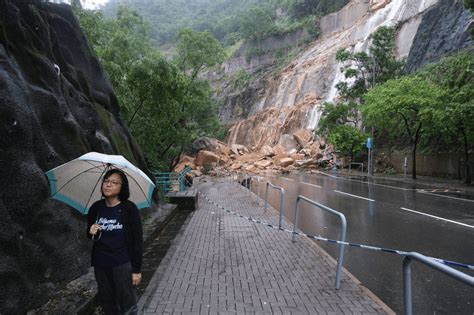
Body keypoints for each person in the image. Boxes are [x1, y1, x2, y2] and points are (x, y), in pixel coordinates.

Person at [87, 169, 143, 315]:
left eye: (114, 182)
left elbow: (137, 241)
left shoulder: (129, 208)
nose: (108, 185)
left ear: (122, 187)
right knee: (107, 302)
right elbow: (91, 235)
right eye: (106, 181)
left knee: (127, 302)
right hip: (101, 263)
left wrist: (136, 270)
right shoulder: (96, 207)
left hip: (122, 263)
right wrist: (91, 231)